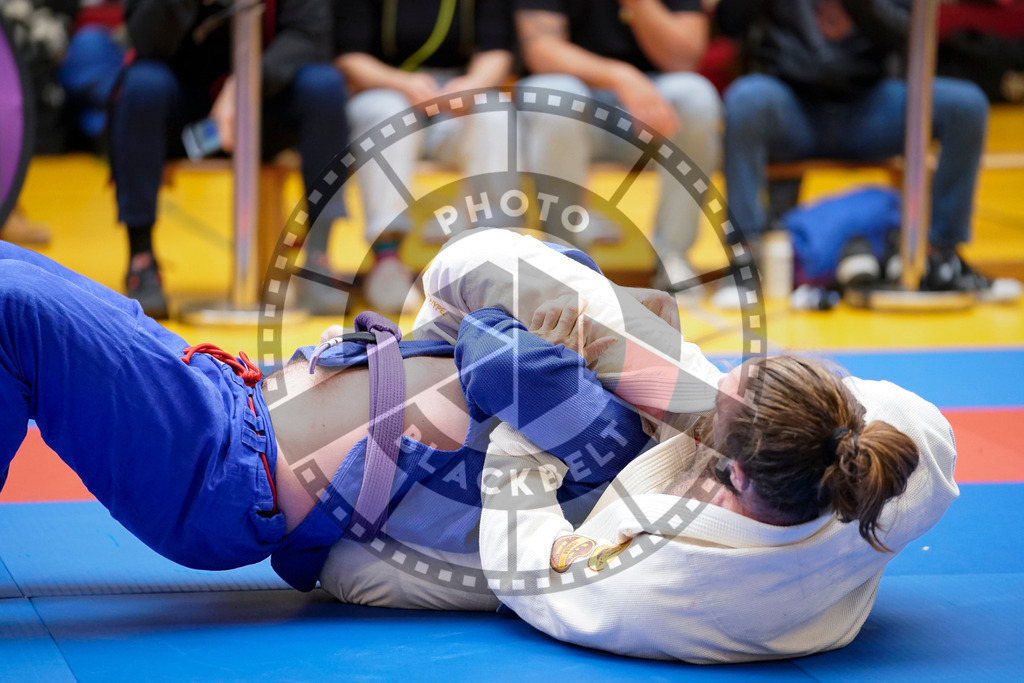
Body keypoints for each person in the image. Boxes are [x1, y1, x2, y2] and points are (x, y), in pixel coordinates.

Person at [0, 229, 956, 662]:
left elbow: (504, 339)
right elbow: (916, 454)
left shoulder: (618, 442)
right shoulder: (821, 487)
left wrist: (668, 381)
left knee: (10, 311)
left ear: (731, 459)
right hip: (230, 393)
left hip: (223, 468)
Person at [714, 0, 1004, 307]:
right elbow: (727, 22)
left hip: (870, 105)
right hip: (792, 105)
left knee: (966, 106)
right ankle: (746, 260)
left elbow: (911, 33)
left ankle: (939, 257)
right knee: (745, 100)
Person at [110, 0, 348, 318]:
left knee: (324, 86)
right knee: (141, 85)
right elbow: (145, 40)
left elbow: (309, 36)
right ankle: (141, 258)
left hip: (266, 105)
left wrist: (246, 84)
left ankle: (319, 254)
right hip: (187, 109)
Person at [513, 0, 721, 295]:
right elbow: (542, 51)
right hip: (573, 108)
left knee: (696, 97)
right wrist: (620, 76)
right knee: (553, 95)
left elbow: (685, 58)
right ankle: (565, 258)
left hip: (648, 112)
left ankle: (673, 256)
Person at [333, 0, 516, 313]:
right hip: (385, 90)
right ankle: (386, 259)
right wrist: (402, 83)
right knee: (384, 111)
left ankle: (490, 258)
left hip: (457, 102)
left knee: (496, 112)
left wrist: (471, 86)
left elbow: (496, 49)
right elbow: (350, 56)